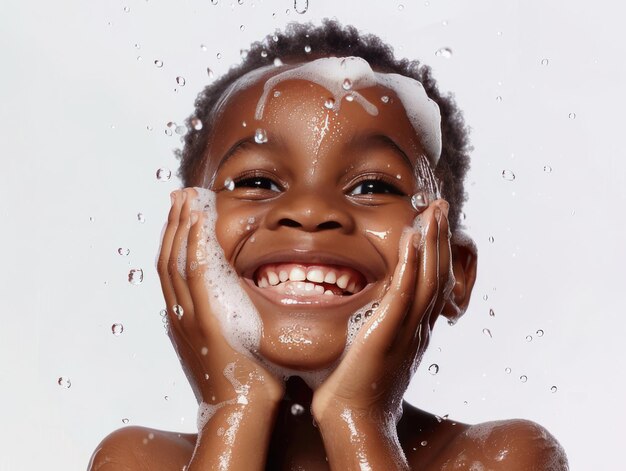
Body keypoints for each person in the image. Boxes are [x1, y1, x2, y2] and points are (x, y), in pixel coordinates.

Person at [88, 19, 569, 471]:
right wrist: (231, 406)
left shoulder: (500, 457)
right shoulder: (139, 460)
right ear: (183, 238)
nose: (311, 211)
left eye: (374, 187)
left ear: (455, 272)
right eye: (257, 180)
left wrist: (358, 416)